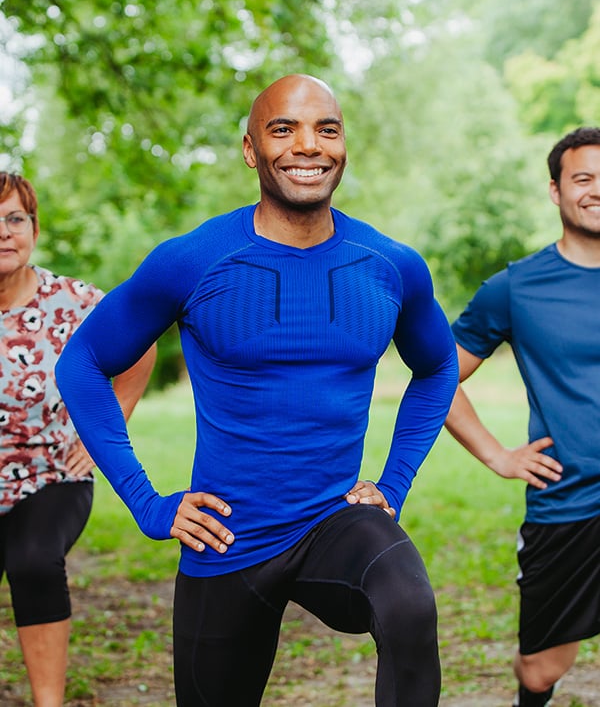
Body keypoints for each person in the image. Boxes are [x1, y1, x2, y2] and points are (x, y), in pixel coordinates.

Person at [56, 73, 458, 707]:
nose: (309, 146)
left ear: (344, 145)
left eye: (326, 129)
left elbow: (437, 369)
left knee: (409, 605)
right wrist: (147, 502)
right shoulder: (193, 259)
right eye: (283, 129)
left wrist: (394, 481)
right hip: (228, 538)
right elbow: (81, 363)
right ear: (251, 150)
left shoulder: (390, 265)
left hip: (336, 521)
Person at [445, 127, 600, 707]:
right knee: (540, 669)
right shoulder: (516, 288)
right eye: (583, 178)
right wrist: (497, 454)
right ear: (556, 191)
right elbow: (440, 378)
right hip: (571, 502)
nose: (596, 190)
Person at [0, 172, 156, 707]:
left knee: (33, 559)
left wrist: (106, 428)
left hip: (52, 475)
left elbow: (139, 345)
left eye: (14, 218)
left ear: (34, 229)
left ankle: (48, 703)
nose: (3, 232)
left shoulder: (74, 302)